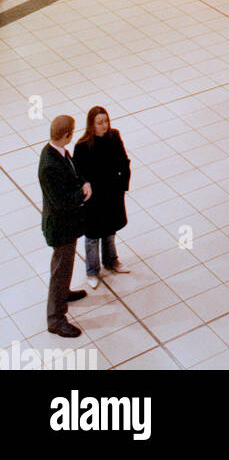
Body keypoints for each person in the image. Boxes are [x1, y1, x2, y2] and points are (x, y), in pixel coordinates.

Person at [38, 114, 90, 338]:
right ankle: (56, 319)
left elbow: (72, 172)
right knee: (61, 269)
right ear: (67, 134)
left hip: (66, 224)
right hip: (60, 227)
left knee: (63, 267)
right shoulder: (50, 165)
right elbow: (61, 201)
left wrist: (82, 182)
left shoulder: (57, 151)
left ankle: (63, 293)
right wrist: (83, 193)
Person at [72, 106, 131, 290]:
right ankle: (92, 270)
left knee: (110, 230)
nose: (104, 126)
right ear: (91, 124)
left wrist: (123, 185)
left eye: (106, 121)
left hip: (112, 193)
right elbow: (78, 174)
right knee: (92, 236)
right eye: (99, 123)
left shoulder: (114, 136)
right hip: (94, 197)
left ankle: (111, 261)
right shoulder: (82, 146)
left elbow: (124, 161)